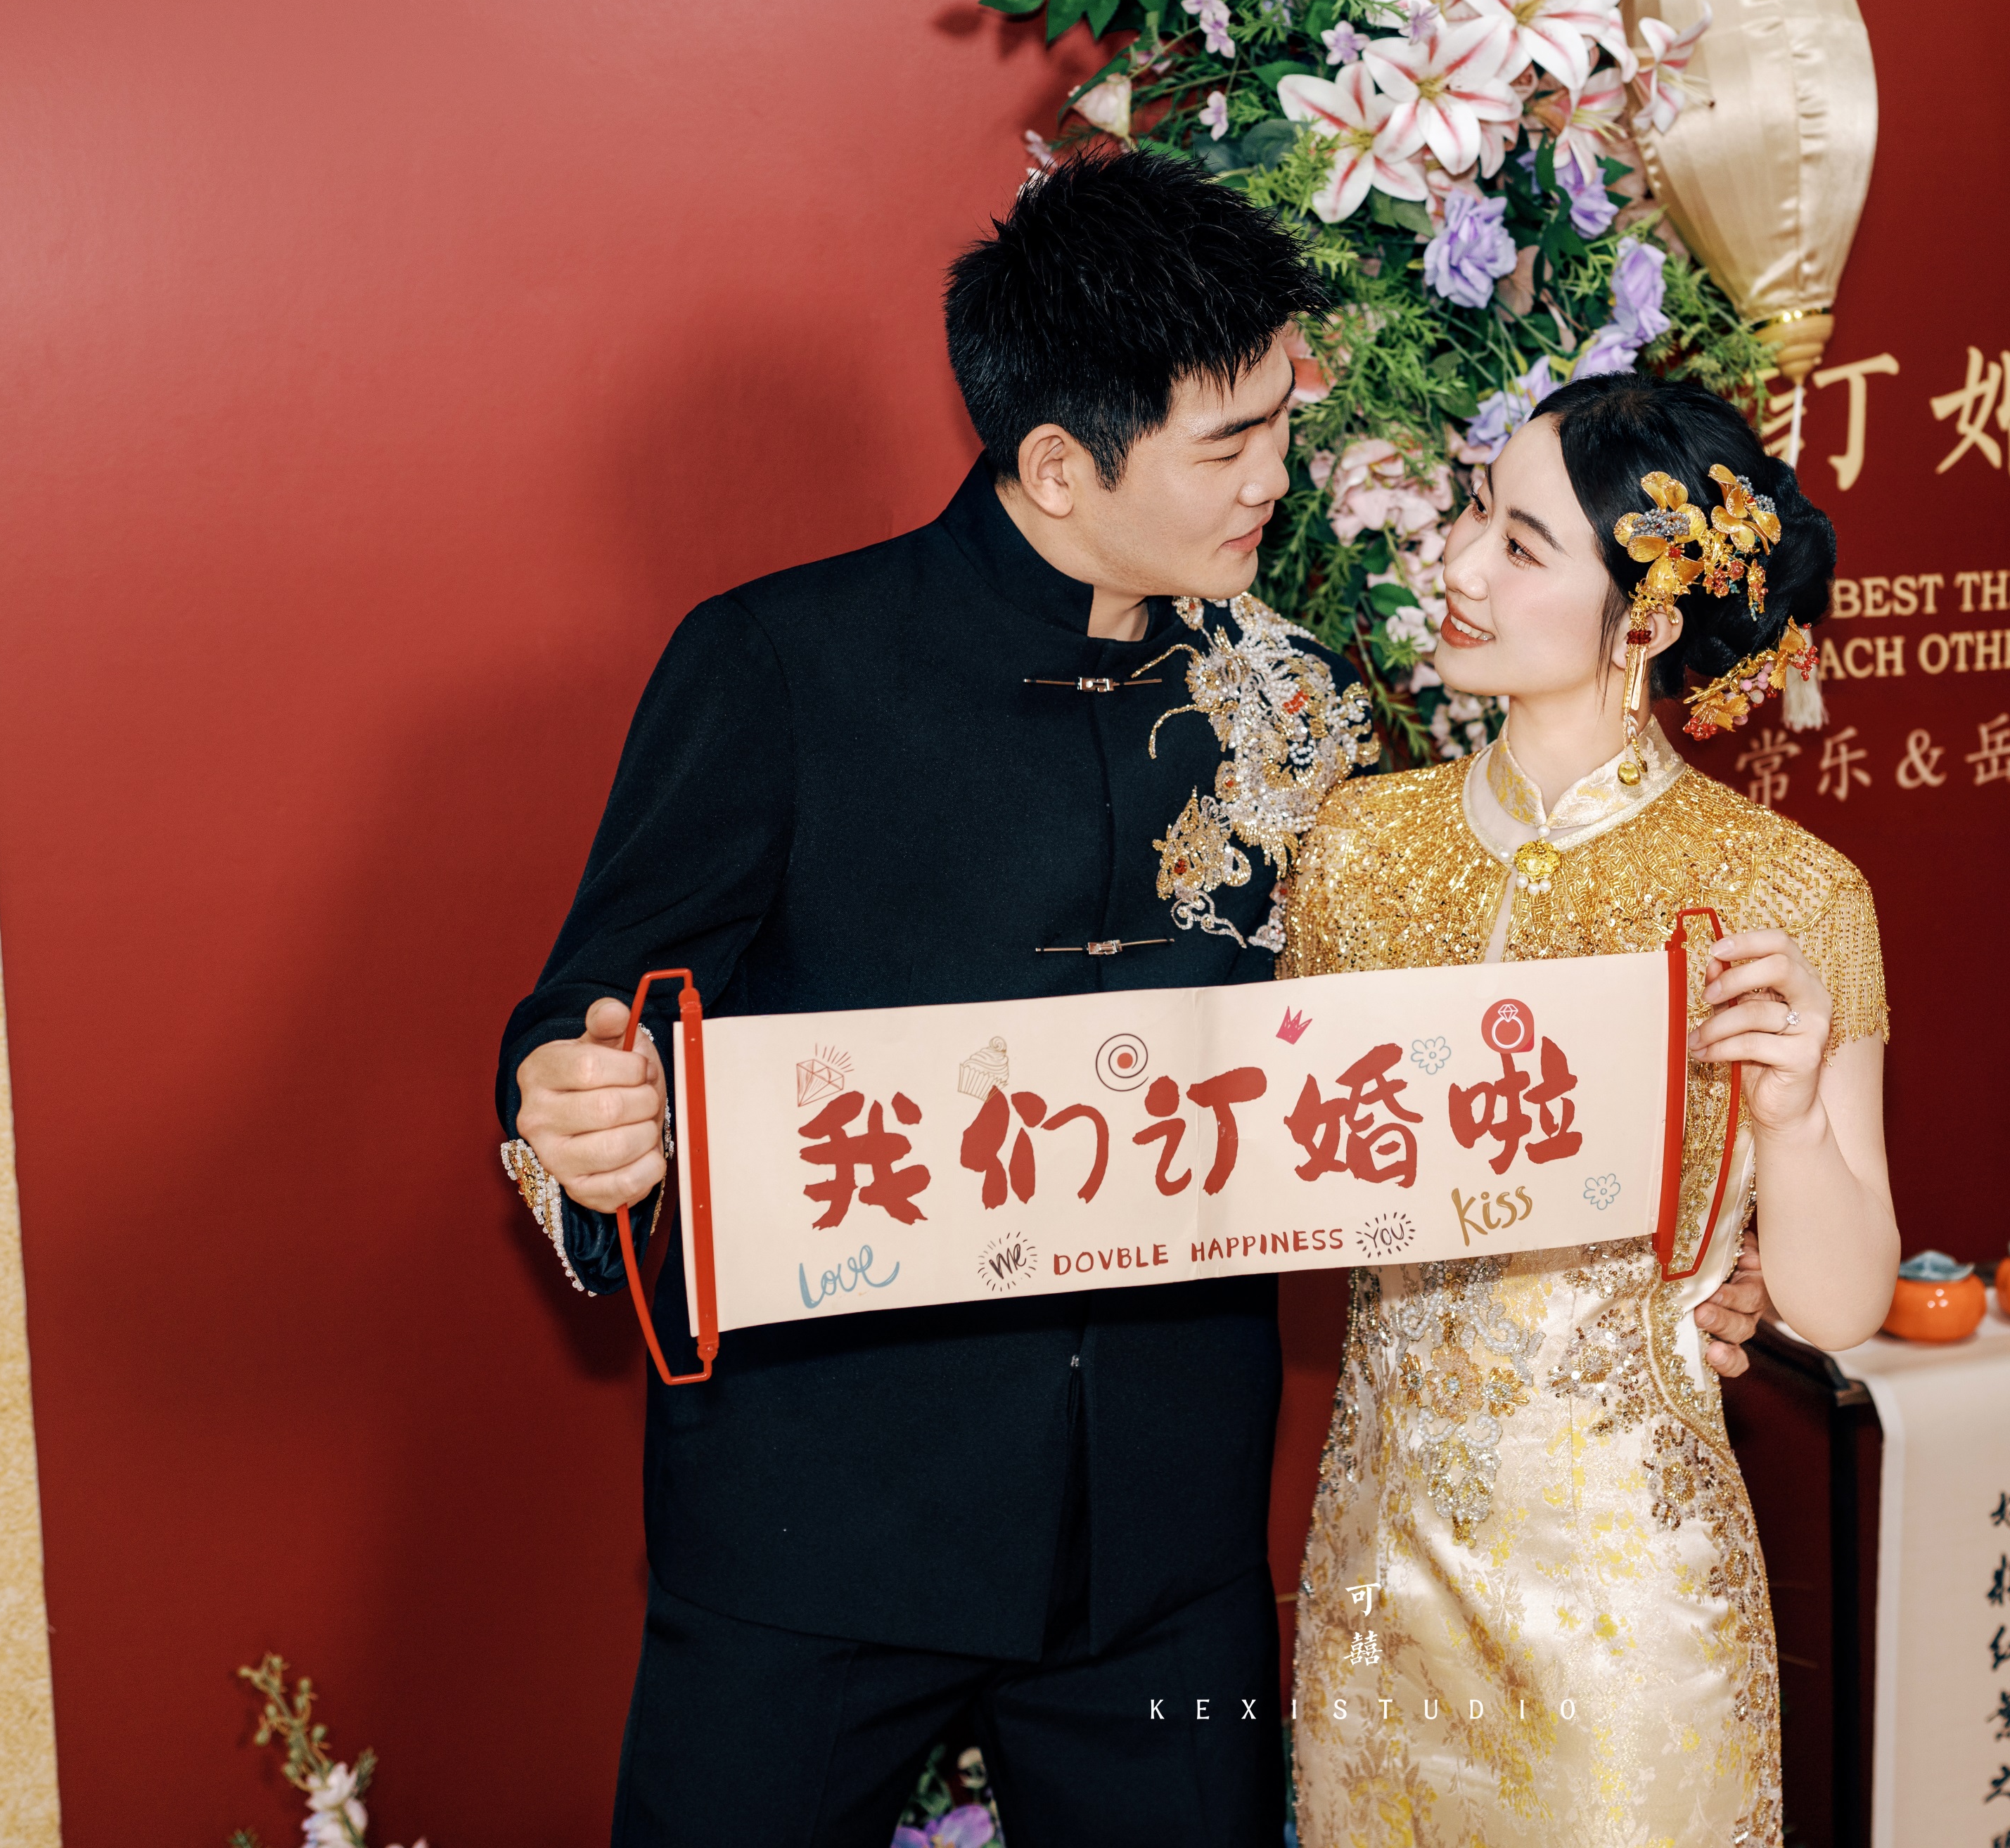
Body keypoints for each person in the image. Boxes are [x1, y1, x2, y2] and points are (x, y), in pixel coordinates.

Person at [492, 148, 1767, 1848]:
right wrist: (571, 1117)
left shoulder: (1298, 699)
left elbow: (1419, 1076)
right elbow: (584, 1013)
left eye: (1282, 424)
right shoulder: (779, 663)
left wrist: (1659, 1271)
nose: (1276, 478)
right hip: (817, 1532)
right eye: (1228, 446)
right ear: (1057, 464)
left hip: (1161, 1551)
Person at [1280, 373, 1901, 1848]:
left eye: (1519, 544)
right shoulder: (1357, 849)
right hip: (1375, 1582)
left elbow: (1844, 1304)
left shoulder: (1790, 895)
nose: (1457, 562)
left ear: (1648, 623)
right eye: (1473, 516)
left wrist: (1792, 1121)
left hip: (1629, 1602)